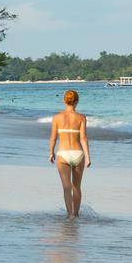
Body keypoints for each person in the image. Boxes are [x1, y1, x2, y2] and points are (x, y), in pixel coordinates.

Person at [48, 89, 92, 218]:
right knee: (76, 187)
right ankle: (76, 214)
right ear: (77, 101)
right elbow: (84, 138)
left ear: (64, 100)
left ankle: (70, 215)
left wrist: (51, 152)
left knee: (67, 187)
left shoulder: (57, 117)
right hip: (78, 154)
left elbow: (53, 137)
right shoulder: (81, 118)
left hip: (63, 154)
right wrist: (88, 157)